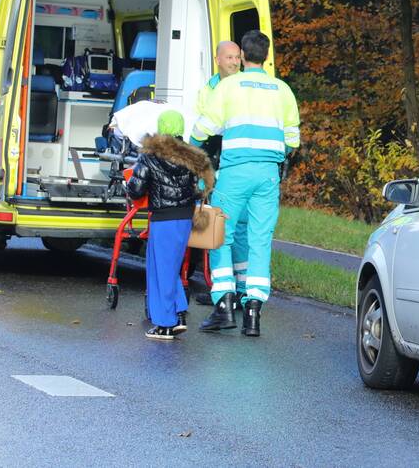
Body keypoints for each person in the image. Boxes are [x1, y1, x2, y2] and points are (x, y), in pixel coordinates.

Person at [191, 31, 300, 337]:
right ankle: (253, 312)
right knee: (259, 239)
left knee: (219, 236)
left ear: (242, 56)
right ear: (265, 56)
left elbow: (205, 128)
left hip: (235, 172)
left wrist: (190, 146)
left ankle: (224, 305)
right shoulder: (283, 90)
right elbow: (293, 139)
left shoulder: (229, 86)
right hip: (267, 175)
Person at [126, 110, 215, 340]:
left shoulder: (150, 156)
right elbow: (203, 186)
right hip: (185, 216)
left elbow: (135, 189)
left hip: (162, 217)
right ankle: (178, 312)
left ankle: (164, 323)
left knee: (159, 270)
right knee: (171, 266)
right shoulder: (192, 157)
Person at [191, 40, 245, 306]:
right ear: (218, 60)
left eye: (237, 58)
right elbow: (204, 125)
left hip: (236, 159)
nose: (234, 62)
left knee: (237, 228)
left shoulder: (246, 86)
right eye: (229, 58)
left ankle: (236, 289)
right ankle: (222, 287)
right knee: (217, 225)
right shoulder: (208, 90)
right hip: (214, 157)